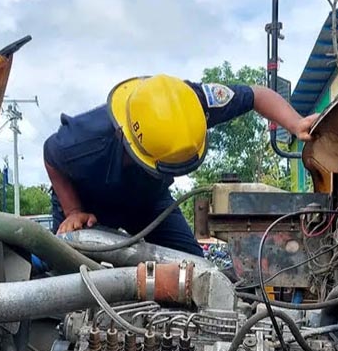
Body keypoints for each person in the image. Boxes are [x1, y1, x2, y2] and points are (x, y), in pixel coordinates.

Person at [43, 74, 317, 256]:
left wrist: (296, 123)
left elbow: (257, 95)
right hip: (86, 205)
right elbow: (50, 154)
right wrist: (74, 210)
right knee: (69, 273)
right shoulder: (85, 139)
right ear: (127, 142)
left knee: (195, 269)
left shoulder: (193, 104)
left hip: (149, 203)